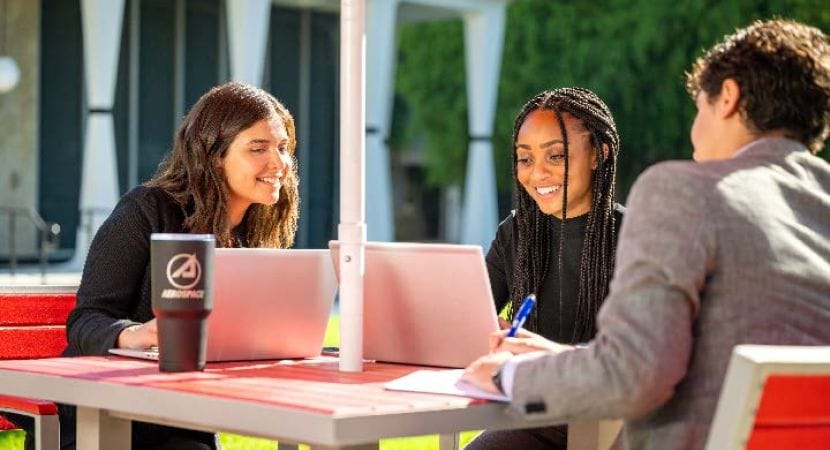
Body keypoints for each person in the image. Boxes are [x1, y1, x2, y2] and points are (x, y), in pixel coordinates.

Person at [462, 18, 830, 450]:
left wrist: (506, 376)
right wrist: (562, 357)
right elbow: (689, 360)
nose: (695, 130)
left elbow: (635, 376)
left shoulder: (683, 192)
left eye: (699, 108)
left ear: (727, 98)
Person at [58, 82, 300, 450]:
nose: (280, 163)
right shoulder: (147, 210)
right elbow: (87, 319)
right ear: (214, 155)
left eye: (282, 148)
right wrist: (132, 334)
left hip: (182, 417)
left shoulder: (252, 233)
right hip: (105, 418)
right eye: (258, 148)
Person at [467, 87, 624, 449]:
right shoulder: (516, 233)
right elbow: (470, 320)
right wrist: (492, 333)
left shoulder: (637, 239)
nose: (537, 173)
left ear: (599, 154)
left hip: (614, 426)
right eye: (525, 159)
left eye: (555, 156)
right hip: (535, 418)